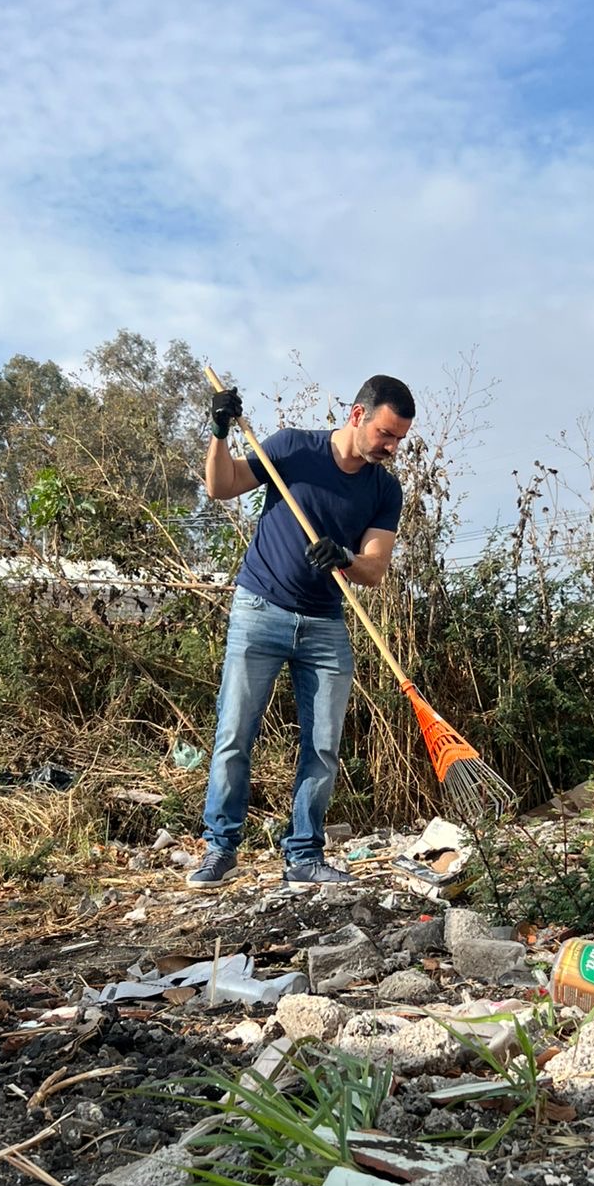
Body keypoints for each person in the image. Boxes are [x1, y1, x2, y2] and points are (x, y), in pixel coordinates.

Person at [187, 374, 414, 888]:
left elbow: (375, 569)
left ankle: (305, 856)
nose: (391, 446)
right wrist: (220, 431)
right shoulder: (292, 448)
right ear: (358, 415)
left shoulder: (384, 489)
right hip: (259, 609)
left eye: (399, 438)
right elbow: (221, 487)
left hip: (324, 624)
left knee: (323, 744)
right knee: (234, 733)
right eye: (385, 433)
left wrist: (346, 557)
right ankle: (220, 850)